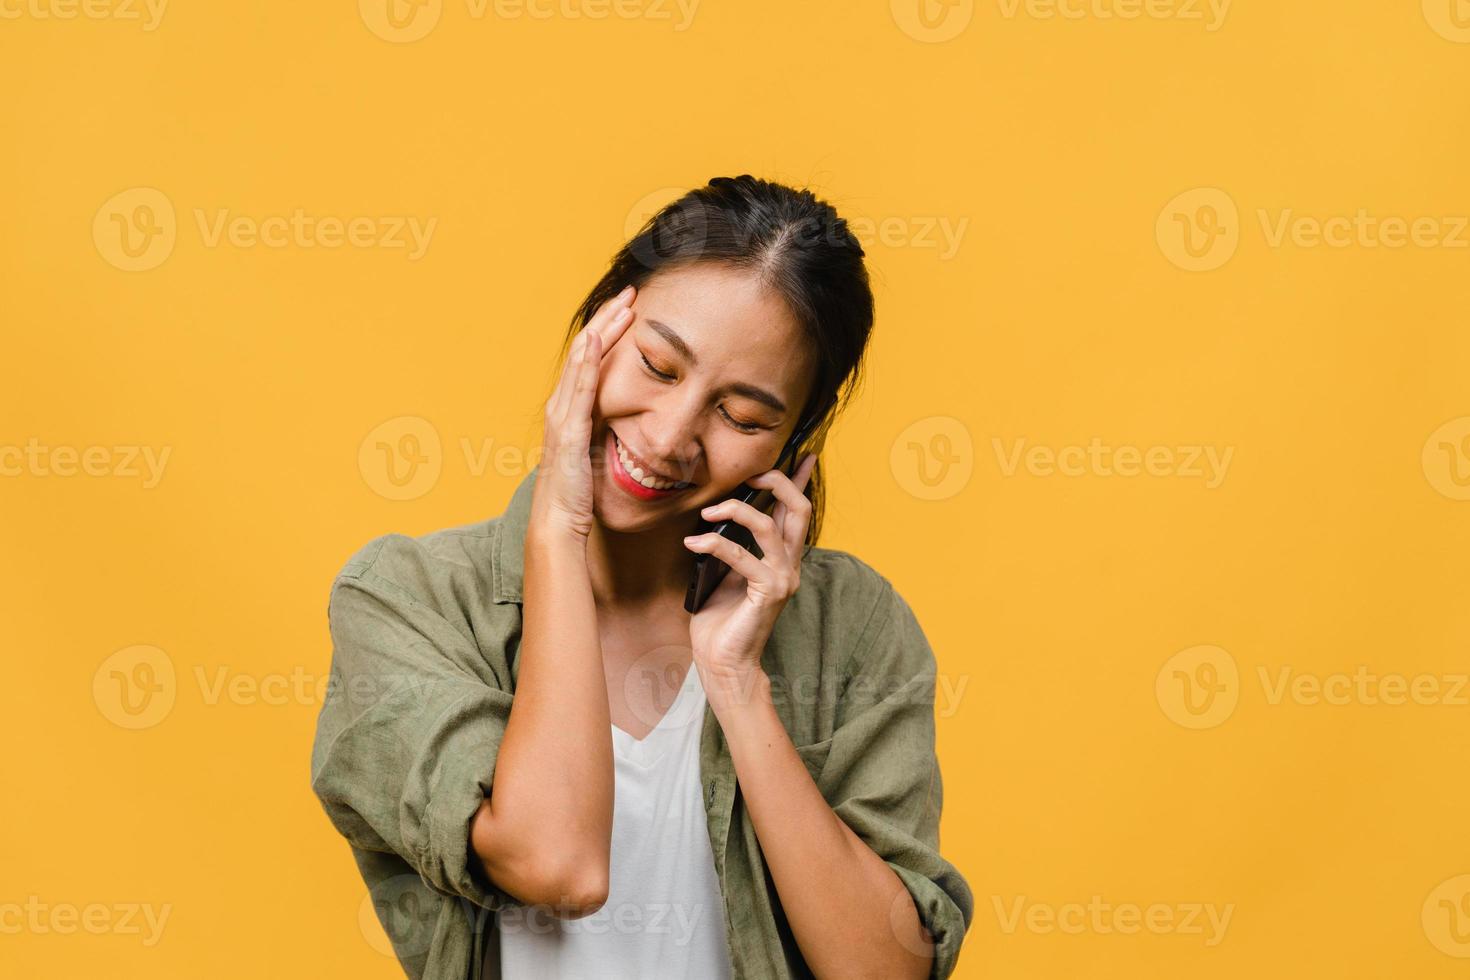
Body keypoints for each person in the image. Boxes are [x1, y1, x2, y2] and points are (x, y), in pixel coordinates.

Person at [310, 174, 974, 979]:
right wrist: (558, 529)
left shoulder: (854, 625)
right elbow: (559, 866)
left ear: (794, 441)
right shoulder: (409, 599)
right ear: (602, 324)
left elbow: (886, 974)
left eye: (743, 416)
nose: (669, 438)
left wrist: (736, 683)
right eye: (659, 366)